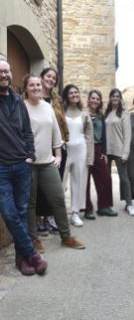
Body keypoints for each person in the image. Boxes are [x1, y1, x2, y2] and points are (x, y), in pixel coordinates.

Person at [23, 74, 85, 251]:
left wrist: (58, 155)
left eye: (38, 85)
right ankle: (34, 239)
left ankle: (66, 236)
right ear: (26, 88)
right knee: (31, 203)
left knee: (58, 198)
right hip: (29, 164)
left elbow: (55, 132)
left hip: (47, 162)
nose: (36, 88)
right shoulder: (21, 107)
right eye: (32, 85)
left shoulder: (47, 107)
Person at [0, 60, 47, 275]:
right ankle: (33, 254)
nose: (4, 75)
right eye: (0, 72)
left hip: (22, 165)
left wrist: (30, 155)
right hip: (1, 169)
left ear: (11, 74)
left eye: (7, 71)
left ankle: (22, 260)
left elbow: (27, 131)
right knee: (9, 214)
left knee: (20, 212)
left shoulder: (18, 102)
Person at [36, 67, 69, 235]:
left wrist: (65, 141)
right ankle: (39, 220)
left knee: (55, 185)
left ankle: (50, 218)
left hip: (57, 147)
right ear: (42, 77)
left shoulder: (57, 99)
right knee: (40, 186)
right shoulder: (33, 95)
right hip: (40, 147)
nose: (51, 80)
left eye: (53, 78)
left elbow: (62, 122)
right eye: (48, 76)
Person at [62, 84, 94, 227]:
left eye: (76, 92)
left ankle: (75, 213)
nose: (74, 94)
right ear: (66, 96)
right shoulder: (61, 111)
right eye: (71, 93)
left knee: (78, 183)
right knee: (60, 184)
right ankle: (58, 214)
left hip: (81, 150)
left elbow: (89, 136)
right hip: (64, 151)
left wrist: (90, 157)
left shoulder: (84, 113)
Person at [85, 90, 118, 219]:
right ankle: (87, 209)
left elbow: (104, 135)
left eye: (97, 99)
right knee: (85, 180)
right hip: (86, 148)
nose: (95, 101)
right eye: (93, 98)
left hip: (98, 149)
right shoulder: (83, 114)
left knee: (105, 178)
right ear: (89, 99)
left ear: (100, 102)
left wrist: (104, 152)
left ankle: (104, 207)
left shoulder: (101, 116)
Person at [105, 89, 134, 216]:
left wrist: (125, 153)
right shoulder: (106, 113)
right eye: (113, 96)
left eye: (117, 96)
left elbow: (128, 135)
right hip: (106, 151)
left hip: (119, 150)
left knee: (124, 178)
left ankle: (129, 205)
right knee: (105, 179)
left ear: (120, 98)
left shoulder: (124, 113)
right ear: (110, 97)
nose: (115, 98)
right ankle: (105, 204)